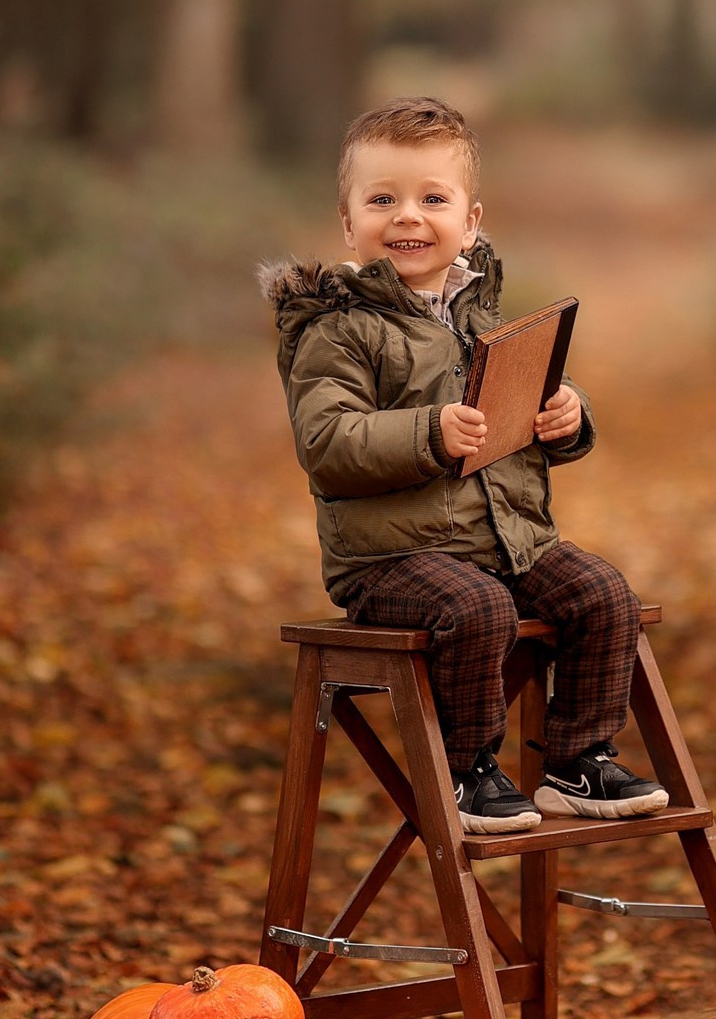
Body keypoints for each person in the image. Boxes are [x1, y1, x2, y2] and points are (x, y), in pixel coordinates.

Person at [260, 95, 669, 836]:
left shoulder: (483, 315)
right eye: (383, 199)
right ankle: (467, 770)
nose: (408, 217)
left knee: (603, 594)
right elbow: (327, 442)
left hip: (504, 543)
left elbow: (513, 415)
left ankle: (577, 758)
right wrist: (429, 432)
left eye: (432, 199)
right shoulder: (337, 330)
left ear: (471, 220)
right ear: (349, 223)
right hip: (391, 559)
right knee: (479, 610)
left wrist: (562, 417)